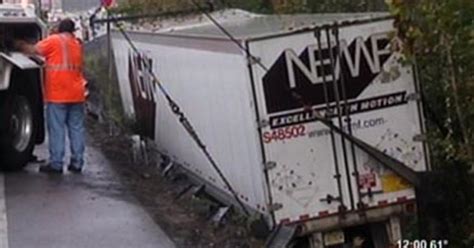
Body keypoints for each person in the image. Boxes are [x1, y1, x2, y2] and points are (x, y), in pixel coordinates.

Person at [16, 19, 87, 174]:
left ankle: (56, 164)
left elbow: (34, 50)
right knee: (76, 129)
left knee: (57, 129)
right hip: (76, 94)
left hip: (58, 94)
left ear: (60, 29)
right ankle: (77, 162)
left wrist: (17, 44)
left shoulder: (55, 40)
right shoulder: (77, 44)